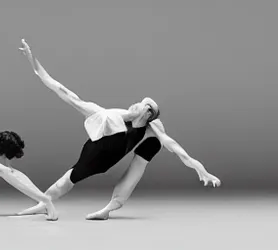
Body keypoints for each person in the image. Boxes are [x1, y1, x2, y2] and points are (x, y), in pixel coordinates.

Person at [14, 39, 221, 220]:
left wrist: (201, 170)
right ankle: (43, 203)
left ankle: (110, 207)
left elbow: (175, 148)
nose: (134, 104)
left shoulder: (151, 129)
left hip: (108, 158)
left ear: (148, 113)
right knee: (67, 180)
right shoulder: (108, 115)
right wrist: (33, 61)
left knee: (140, 163)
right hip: (93, 154)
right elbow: (63, 91)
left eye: (140, 104)